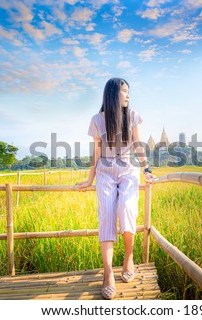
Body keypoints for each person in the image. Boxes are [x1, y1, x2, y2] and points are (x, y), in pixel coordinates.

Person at [75, 77, 156, 300]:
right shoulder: (97, 120)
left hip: (128, 170)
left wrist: (146, 168)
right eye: (124, 91)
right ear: (113, 94)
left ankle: (128, 257)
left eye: (129, 91)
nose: (128, 95)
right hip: (105, 172)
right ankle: (108, 272)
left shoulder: (132, 115)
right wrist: (90, 178)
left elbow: (138, 143)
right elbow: (97, 153)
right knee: (107, 216)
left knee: (127, 210)